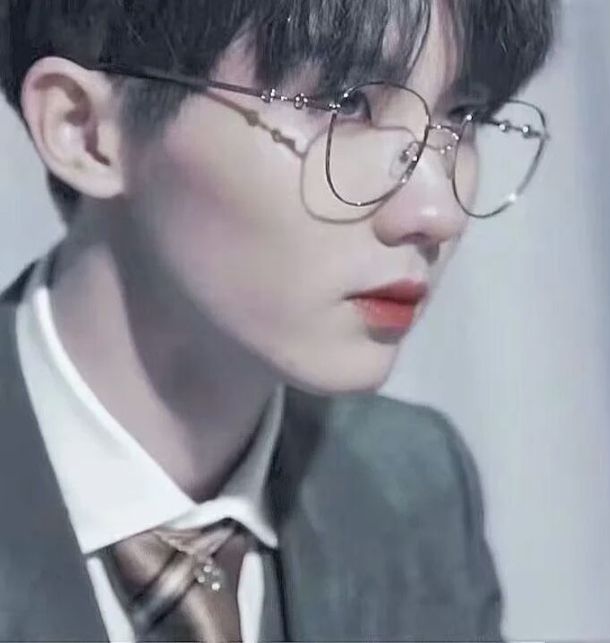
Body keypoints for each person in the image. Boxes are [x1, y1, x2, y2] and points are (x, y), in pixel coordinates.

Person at [0, 0, 555, 641]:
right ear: (84, 129)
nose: (437, 211)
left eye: (463, 116)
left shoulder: (411, 488)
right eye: (346, 104)